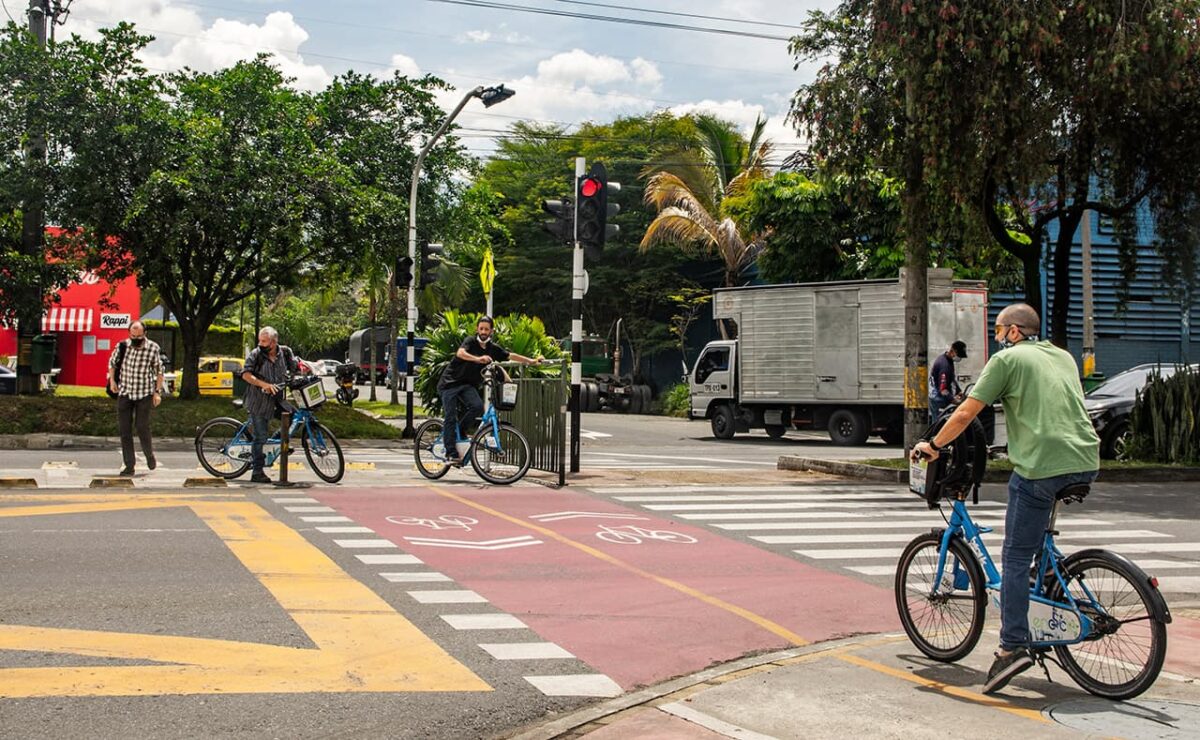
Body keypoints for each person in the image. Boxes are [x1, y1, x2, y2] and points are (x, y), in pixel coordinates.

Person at [910, 304, 1099, 694]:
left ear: (1014, 331)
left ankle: (1012, 647)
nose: (997, 337)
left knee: (1013, 556)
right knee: (1034, 545)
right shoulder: (1061, 356)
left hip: (1042, 466)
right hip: (1085, 460)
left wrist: (933, 445)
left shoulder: (1008, 361)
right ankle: (1047, 580)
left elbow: (965, 413)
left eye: (998, 330)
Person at [437, 316, 540, 464]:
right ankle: (451, 453)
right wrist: (478, 359)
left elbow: (510, 355)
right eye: (481, 328)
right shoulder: (470, 341)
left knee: (477, 407)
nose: (484, 332)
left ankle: (461, 430)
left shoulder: (492, 348)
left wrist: (531, 361)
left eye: (487, 329)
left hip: (467, 385)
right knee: (450, 416)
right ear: (477, 329)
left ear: (491, 331)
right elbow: (460, 353)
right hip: (449, 384)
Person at [241, 327, 299, 484]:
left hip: (277, 399)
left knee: (296, 419)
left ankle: (276, 445)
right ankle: (257, 472)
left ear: (274, 342)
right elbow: (246, 374)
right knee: (260, 437)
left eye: (264, 341)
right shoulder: (256, 354)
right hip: (258, 402)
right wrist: (263, 384)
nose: (261, 344)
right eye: (260, 341)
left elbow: (294, 368)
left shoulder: (285, 353)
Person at [108, 321, 165, 476]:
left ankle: (149, 455)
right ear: (129, 333)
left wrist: (157, 391)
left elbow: (159, 371)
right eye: (133, 336)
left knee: (142, 426)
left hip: (144, 393)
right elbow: (112, 363)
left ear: (144, 334)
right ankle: (129, 465)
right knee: (125, 430)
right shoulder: (122, 346)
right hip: (125, 392)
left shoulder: (152, 348)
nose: (136, 339)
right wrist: (112, 381)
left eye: (139, 336)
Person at [928, 340, 967, 420]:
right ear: (953, 351)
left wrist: (959, 391)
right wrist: (954, 400)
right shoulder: (944, 366)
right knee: (939, 425)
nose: (960, 358)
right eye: (959, 355)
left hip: (939, 396)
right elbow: (943, 390)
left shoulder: (948, 360)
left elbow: (951, 379)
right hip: (938, 400)